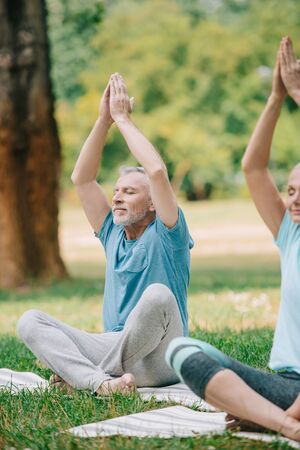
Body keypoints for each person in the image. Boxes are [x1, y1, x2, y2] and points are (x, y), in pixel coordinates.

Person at [17, 73, 193, 395]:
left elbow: (155, 171)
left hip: (164, 355)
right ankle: (102, 385)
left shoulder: (169, 234)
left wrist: (123, 119)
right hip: (120, 350)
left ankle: (84, 375)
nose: (116, 197)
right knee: (30, 321)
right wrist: (103, 121)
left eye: (129, 192)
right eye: (115, 191)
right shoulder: (111, 231)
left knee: (157, 295)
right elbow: (82, 179)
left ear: (153, 202)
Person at [165, 36, 300, 442]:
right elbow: (254, 168)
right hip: (286, 383)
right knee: (183, 351)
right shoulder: (291, 234)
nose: (293, 200)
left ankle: (270, 417)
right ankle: (283, 424)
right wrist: (277, 98)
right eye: (291, 191)